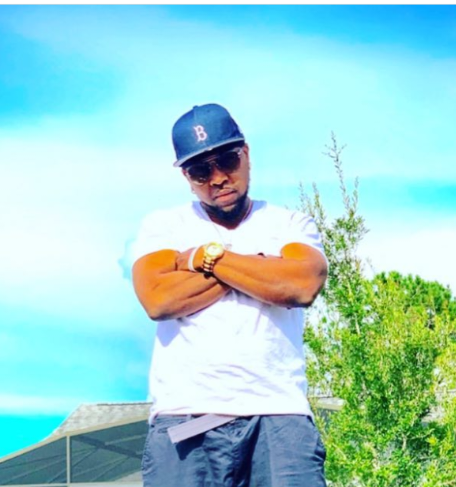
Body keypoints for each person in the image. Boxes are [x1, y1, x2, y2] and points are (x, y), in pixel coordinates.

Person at [130, 103, 329, 487]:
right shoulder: (164, 227)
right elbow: (158, 298)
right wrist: (261, 268)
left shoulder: (290, 224)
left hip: (278, 416)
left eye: (227, 160)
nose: (218, 178)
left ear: (246, 154)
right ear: (186, 177)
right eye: (200, 170)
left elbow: (301, 285)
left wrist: (203, 258)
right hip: (186, 418)